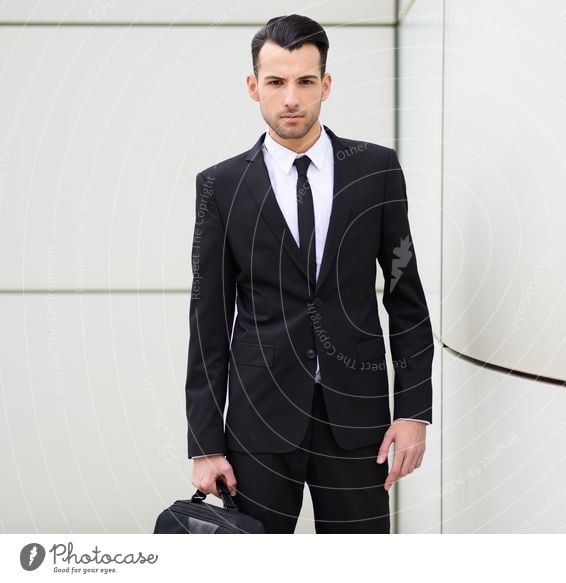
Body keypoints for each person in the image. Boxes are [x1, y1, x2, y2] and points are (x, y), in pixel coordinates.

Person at [184, 14, 434, 534]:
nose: (290, 97)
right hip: (259, 421)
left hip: (359, 421)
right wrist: (205, 443)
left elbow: (405, 297)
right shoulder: (221, 187)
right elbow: (208, 321)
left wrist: (414, 412)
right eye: (276, 82)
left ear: (326, 84)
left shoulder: (376, 172)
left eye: (304, 81)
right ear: (254, 88)